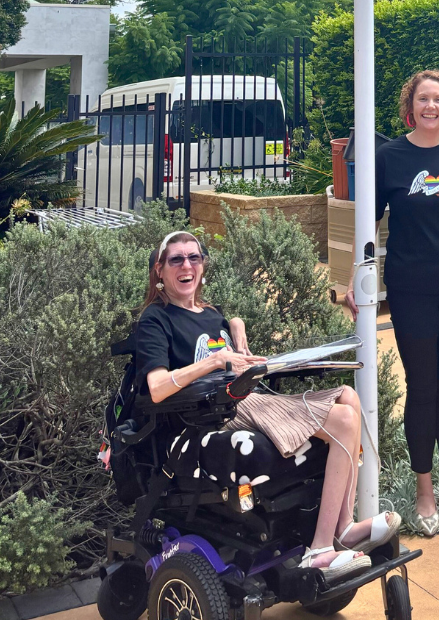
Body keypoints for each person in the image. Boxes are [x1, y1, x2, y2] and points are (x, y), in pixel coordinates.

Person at [135, 230, 400, 581]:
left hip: (243, 399)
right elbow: (155, 388)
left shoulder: (209, 313)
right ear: (159, 271)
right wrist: (215, 363)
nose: (187, 265)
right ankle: (321, 548)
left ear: (203, 265)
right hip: (208, 415)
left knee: (349, 398)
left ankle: (345, 526)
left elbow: (227, 335)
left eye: (194, 258)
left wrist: (236, 328)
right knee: (345, 422)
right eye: (176, 259)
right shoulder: (156, 319)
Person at [346, 69, 439, 538]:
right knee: (422, 388)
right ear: (409, 107)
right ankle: (424, 493)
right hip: (412, 290)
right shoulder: (389, 157)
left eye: (437, 99)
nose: (430, 106)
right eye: (421, 99)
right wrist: (356, 273)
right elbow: (366, 223)